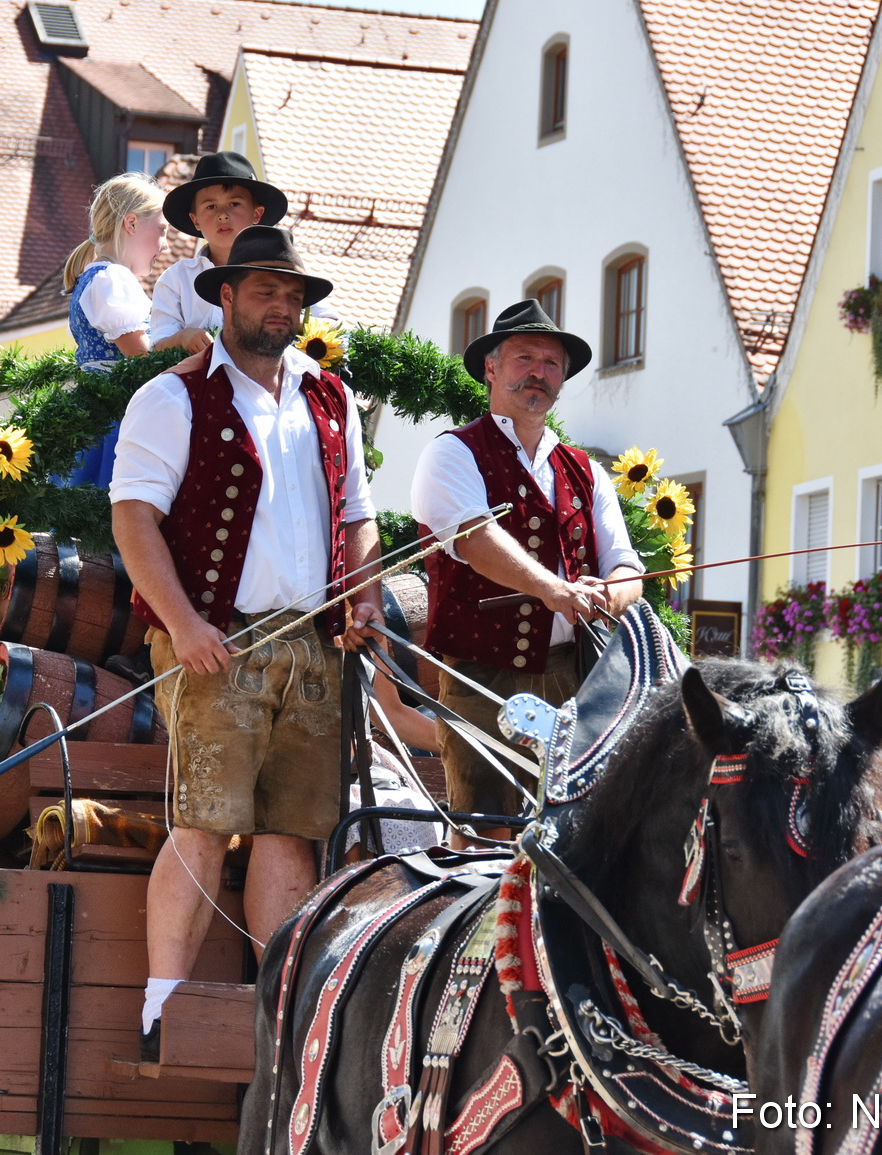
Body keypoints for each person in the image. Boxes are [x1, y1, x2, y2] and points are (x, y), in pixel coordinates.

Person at [109, 225, 382, 1056]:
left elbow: (359, 519)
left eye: (292, 294)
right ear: (222, 295)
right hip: (215, 641)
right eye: (264, 290)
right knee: (202, 821)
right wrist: (185, 624)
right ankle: (163, 1010)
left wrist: (363, 599)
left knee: (290, 830)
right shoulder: (172, 395)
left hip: (313, 643)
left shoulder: (330, 399)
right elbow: (132, 520)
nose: (281, 306)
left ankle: (280, 1007)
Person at [410, 300, 644, 834]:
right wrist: (554, 589)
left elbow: (626, 565)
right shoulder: (452, 454)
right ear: (491, 368)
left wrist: (612, 595)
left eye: (551, 363)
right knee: (486, 833)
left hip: (574, 675)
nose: (538, 372)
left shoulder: (585, 470)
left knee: (574, 835)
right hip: (481, 674)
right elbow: (475, 539)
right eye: (524, 358)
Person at [151, 151, 337, 354]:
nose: (222, 215)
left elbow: (333, 326)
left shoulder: (284, 270)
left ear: (257, 214)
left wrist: (289, 320)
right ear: (195, 220)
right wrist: (183, 337)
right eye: (211, 206)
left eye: (234, 204)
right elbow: (157, 345)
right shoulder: (177, 279)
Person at [61, 172, 167, 485]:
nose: (165, 243)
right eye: (161, 230)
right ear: (131, 223)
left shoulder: (94, 278)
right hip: (117, 420)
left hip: (97, 416)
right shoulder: (113, 279)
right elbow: (142, 361)